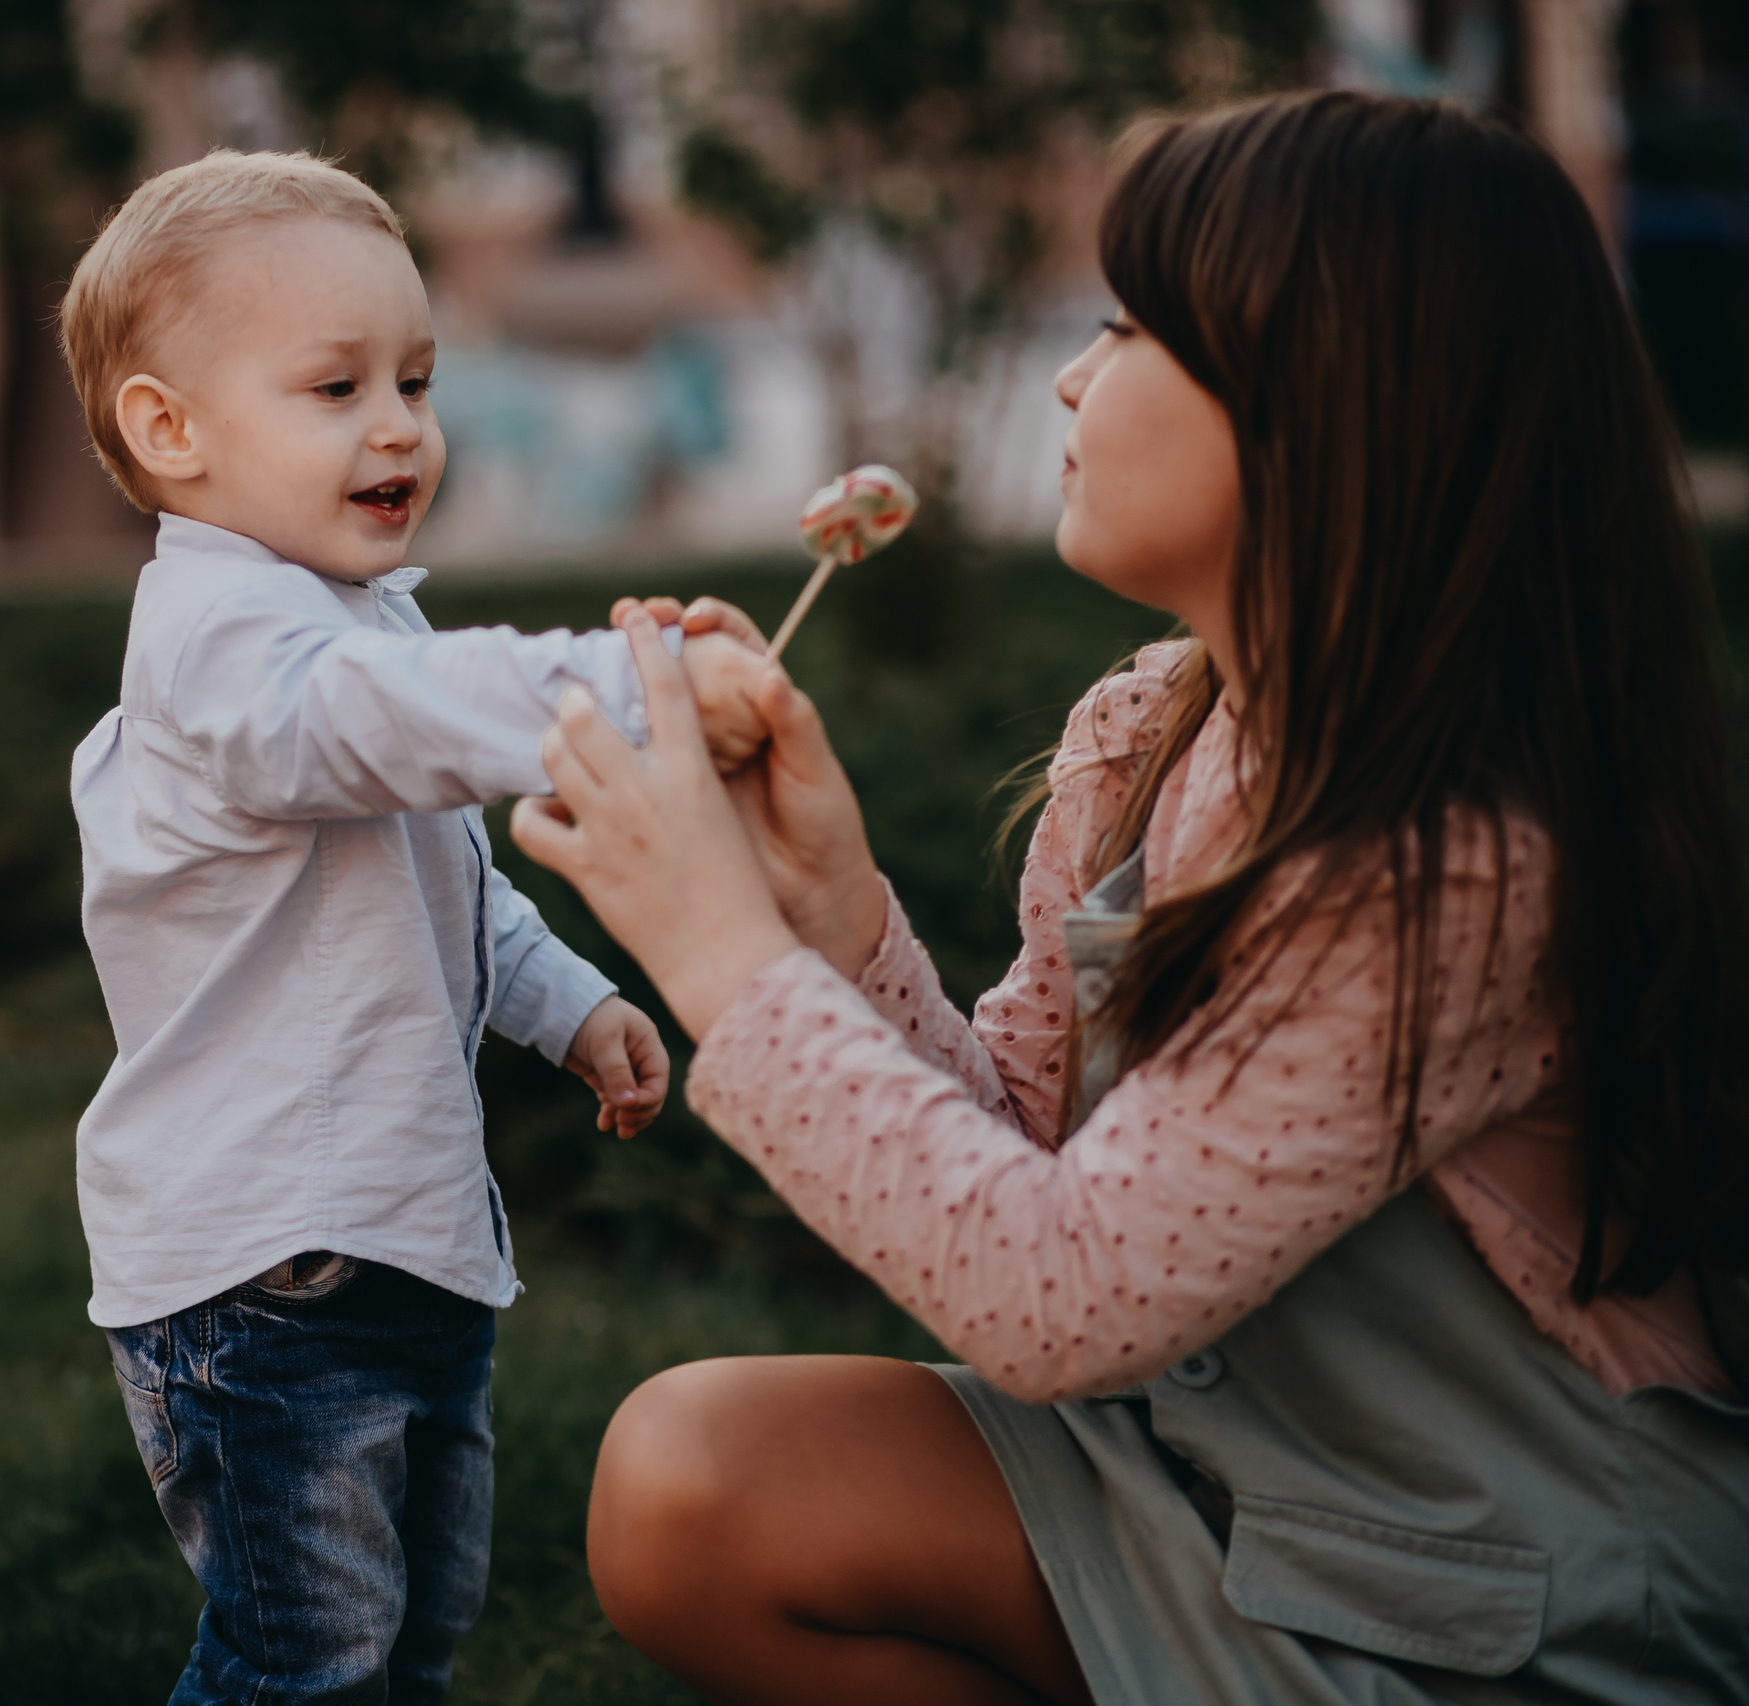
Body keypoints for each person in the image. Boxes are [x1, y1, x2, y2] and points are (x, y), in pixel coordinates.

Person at [510, 92, 1749, 1705]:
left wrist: (718, 953)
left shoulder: (1457, 863)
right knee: (695, 1475)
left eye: (1126, 324)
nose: (1069, 374)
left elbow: (1057, 1296)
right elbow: (1043, 1166)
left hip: (1498, 1611)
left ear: (1330, 403)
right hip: (1222, 1490)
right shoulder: (1152, 735)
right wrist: (826, 907)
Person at [60, 149, 771, 1705]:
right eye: (335, 387)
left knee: (412, 1636)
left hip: (400, 1250)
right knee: (301, 1662)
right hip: (267, 1278)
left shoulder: (356, 616)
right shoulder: (222, 643)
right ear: (168, 429)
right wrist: (618, 686)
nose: (399, 425)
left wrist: (571, 1002)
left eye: (419, 378)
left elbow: (446, 877)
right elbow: (385, 726)